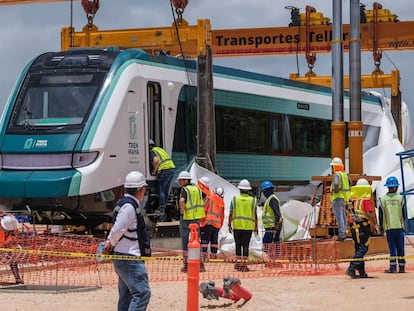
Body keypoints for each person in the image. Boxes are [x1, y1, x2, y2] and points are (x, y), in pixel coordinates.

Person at [103, 171, 151, 311]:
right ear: (141, 190)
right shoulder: (129, 207)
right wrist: (110, 242)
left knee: (127, 295)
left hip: (124, 256)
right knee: (142, 293)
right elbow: (119, 228)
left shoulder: (125, 204)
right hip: (129, 257)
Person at [345, 178, 379, 279]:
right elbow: (369, 214)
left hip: (354, 227)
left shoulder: (353, 201)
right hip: (362, 227)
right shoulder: (365, 201)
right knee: (363, 248)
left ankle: (361, 272)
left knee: (358, 249)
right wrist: (375, 225)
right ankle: (351, 268)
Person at [177, 171, 205, 272]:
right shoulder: (197, 189)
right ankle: (201, 264)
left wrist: (182, 212)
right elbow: (204, 197)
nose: (179, 182)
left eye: (181, 180)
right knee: (197, 241)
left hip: (186, 218)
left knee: (185, 241)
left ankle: (186, 265)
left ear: (186, 180)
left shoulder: (185, 189)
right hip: (196, 218)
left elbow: (181, 201)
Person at [228, 179, 258, 272]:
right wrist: (256, 226)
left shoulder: (234, 199)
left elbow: (231, 213)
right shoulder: (253, 200)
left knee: (238, 245)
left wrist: (229, 224)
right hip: (248, 227)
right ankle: (244, 265)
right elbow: (255, 214)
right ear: (248, 189)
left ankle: (238, 264)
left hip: (237, 226)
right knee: (246, 246)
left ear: (239, 189)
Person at [378, 176, 406, 273]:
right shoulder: (400, 198)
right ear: (395, 187)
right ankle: (402, 267)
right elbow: (404, 214)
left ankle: (393, 268)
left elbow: (381, 215)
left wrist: (381, 227)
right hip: (399, 227)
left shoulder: (382, 199)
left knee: (392, 248)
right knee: (401, 248)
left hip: (389, 228)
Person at [149, 139, 175, 216]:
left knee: (161, 190)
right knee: (166, 190)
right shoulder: (160, 149)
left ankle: (160, 209)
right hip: (171, 169)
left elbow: (156, 161)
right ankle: (163, 208)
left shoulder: (152, 151)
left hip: (164, 170)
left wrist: (154, 171)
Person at [199, 183, 225, 260]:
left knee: (204, 240)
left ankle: (204, 257)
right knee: (214, 241)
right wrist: (220, 225)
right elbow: (222, 216)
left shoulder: (209, 198)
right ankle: (213, 256)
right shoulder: (221, 202)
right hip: (217, 224)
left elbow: (203, 208)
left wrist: (199, 220)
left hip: (207, 222)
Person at [329, 157, 352, 241]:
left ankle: (341, 234)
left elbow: (335, 183)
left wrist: (335, 190)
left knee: (339, 216)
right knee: (343, 216)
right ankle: (344, 233)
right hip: (344, 197)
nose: (332, 168)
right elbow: (350, 183)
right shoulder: (345, 175)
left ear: (335, 166)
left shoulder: (337, 175)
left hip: (337, 197)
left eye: (333, 166)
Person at [260, 181, 282, 261]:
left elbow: (277, 213)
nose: (264, 193)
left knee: (272, 244)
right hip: (270, 227)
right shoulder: (270, 199)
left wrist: (276, 226)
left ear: (268, 190)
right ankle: (271, 259)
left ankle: (274, 259)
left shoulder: (272, 199)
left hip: (273, 227)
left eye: (264, 191)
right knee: (268, 243)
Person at [0, 214, 23, 284]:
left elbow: (14, 235)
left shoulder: (11, 221)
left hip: (5, 244)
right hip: (2, 244)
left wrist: (10, 242)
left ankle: (17, 278)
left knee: (13, 260)